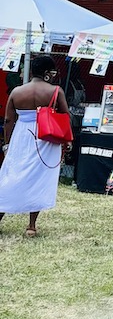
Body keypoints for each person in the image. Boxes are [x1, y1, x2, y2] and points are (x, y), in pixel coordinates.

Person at [0, 56, 70, 237]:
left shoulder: (16, 91)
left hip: (21, 137)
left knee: (11, 174)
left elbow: (8, 120)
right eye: (53, 72)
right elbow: (65, 116)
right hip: (46, 136)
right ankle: (31, 226)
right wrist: (66, 141)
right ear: (47, 73)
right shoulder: (56, 91)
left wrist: (7, 144)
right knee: (40, 177)